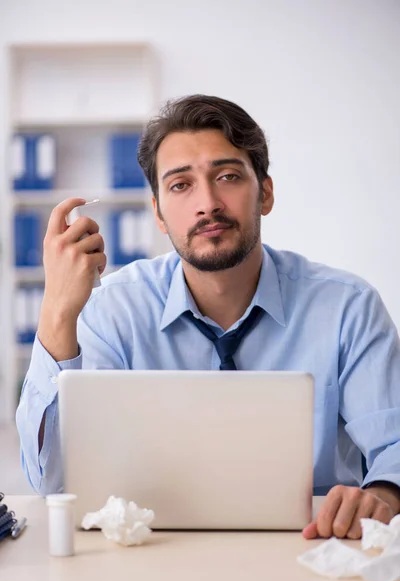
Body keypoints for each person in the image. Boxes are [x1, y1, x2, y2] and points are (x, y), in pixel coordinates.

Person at [16, 94, 400, 540]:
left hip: (310, 547)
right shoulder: (113, 312)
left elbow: (394, 445)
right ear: (158, 213)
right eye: (180, 185)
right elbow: (54, 483)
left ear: (266, 193)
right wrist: (57, 313)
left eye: (228, 176)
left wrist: (384, 495)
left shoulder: (347, 308)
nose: (208, 203)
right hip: (155, 551)